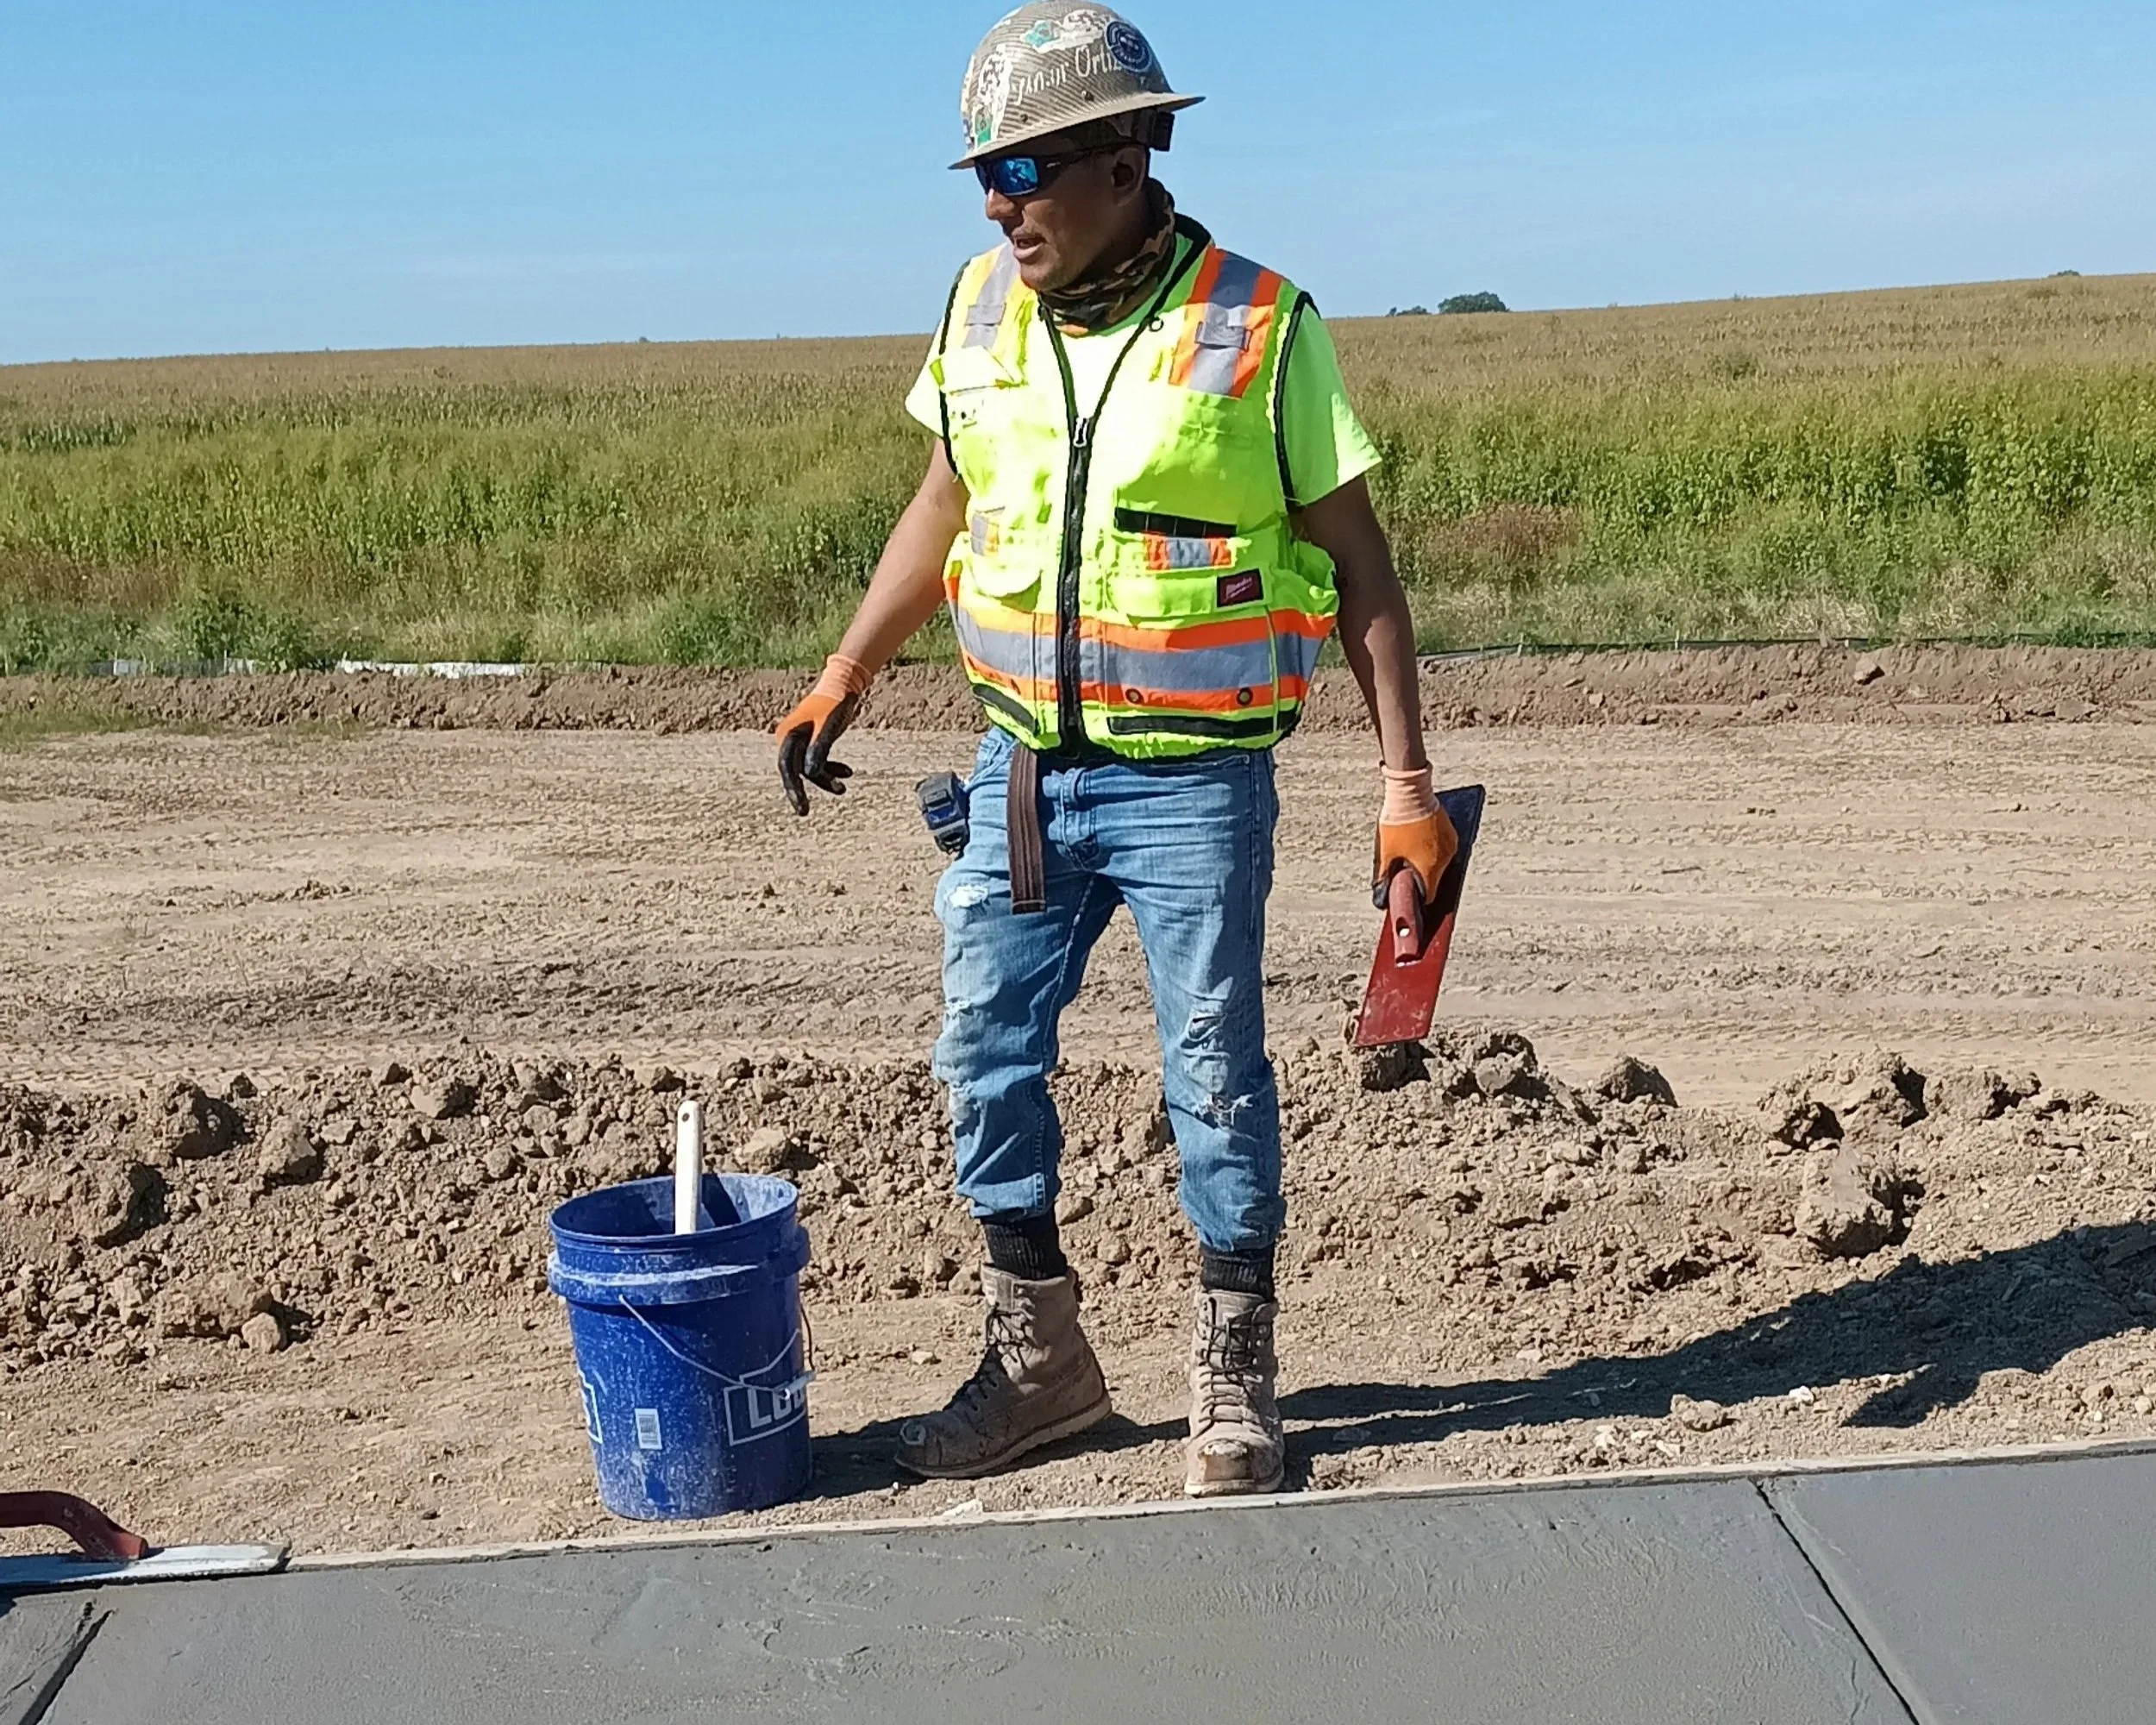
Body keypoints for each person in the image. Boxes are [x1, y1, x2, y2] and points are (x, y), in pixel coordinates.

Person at [775, 3, 1454, 1497]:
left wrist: (1406, 791)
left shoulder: (1261, 326)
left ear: (1131, 152)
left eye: (1026, 172)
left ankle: (1234, 1368)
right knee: (984, 1053)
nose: (1002, 205)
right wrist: (844, 676)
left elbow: (1363, 570)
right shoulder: (975, 311)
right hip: (1021, 768)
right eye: (984, 179)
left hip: (1194, 783)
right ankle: (1044, 1365)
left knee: (1211, 1064)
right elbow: (942, 503)